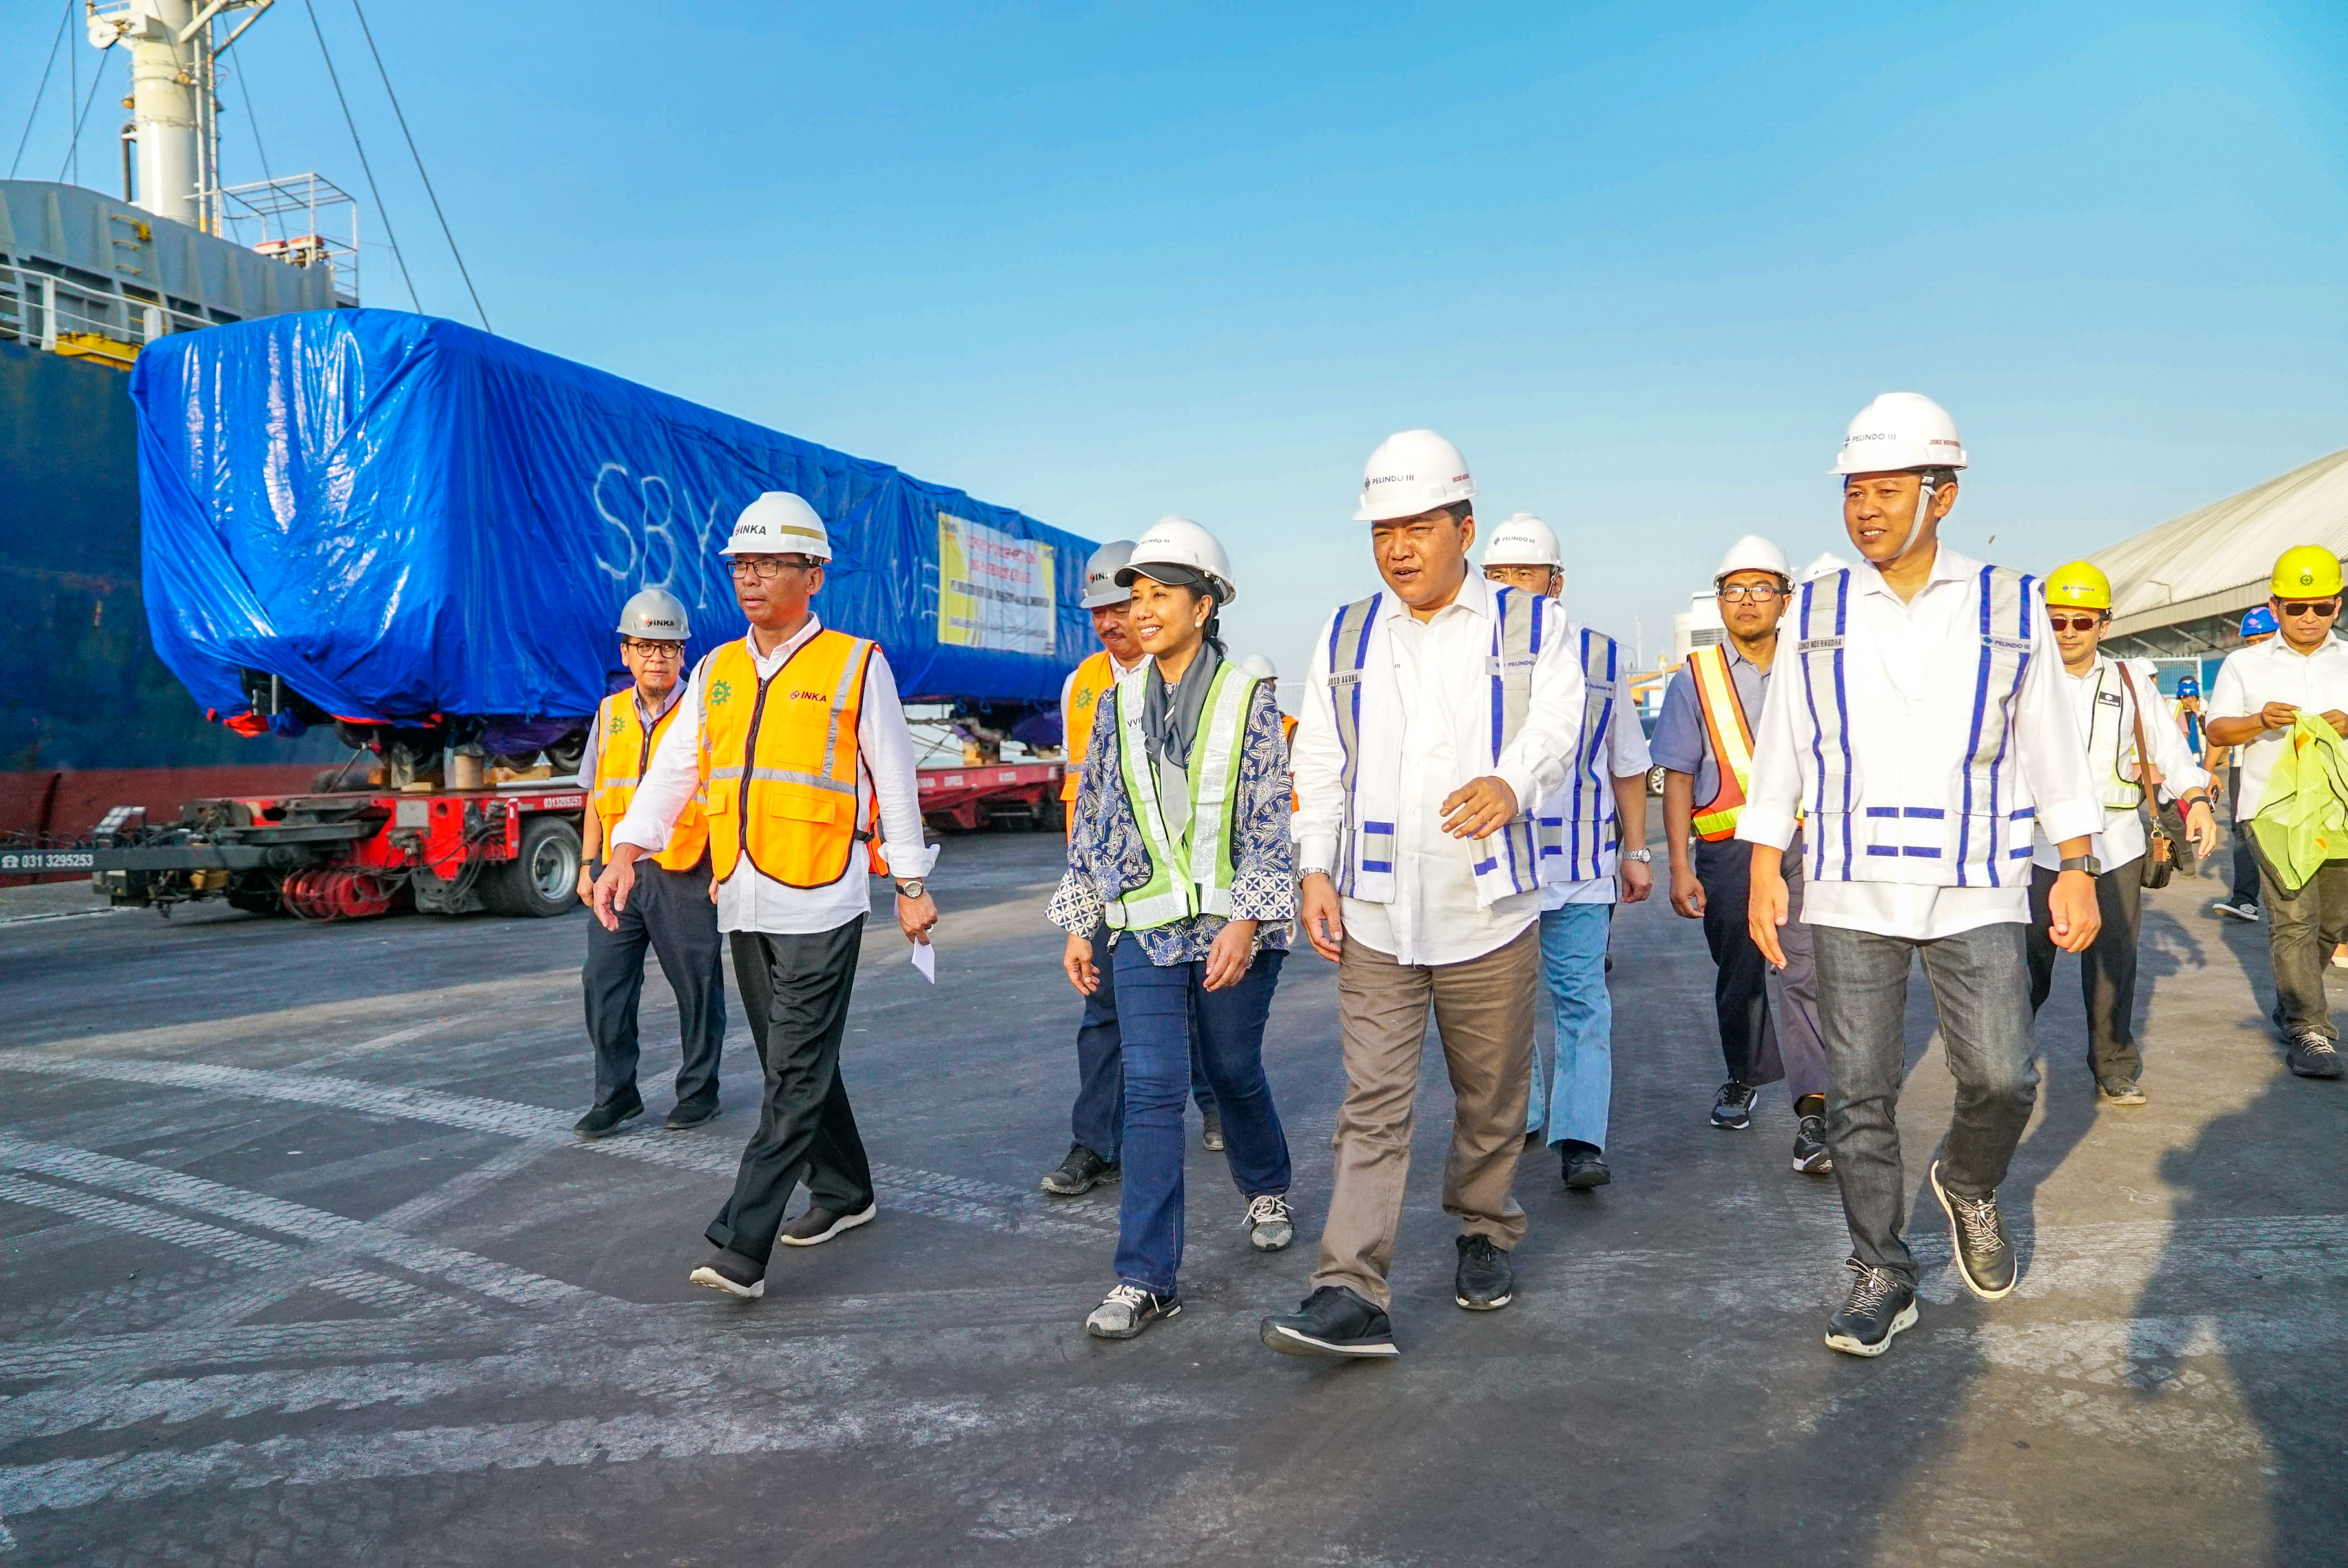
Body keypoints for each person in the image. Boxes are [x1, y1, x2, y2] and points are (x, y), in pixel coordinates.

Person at [1740, 393, 2103, 1359]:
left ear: (1942, 494)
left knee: (2002, 1073)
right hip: (1851, 885)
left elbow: (2051, 741)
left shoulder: (2008, 601)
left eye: (1887, 490)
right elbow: (1784, 744)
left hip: (1977, 881)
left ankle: (1971, 1183)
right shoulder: (1814, 607)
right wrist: (1765, 862)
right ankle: (1882, 1269)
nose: (1865, 509)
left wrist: (2074, 864)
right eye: (1854, 490)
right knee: (1858, 1091)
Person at [1260, 430, 1583, 1358]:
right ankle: (1349, 1288)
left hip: (1489, 909)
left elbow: (1561, 722)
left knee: (1491, 1094)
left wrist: (1512, 781)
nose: (1397, 547)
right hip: (1374, 911)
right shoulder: (1348, 630)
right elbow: (1318, 757)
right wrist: (1313, 866)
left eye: (1416, 526)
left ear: (1464, 527)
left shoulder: (1532, 624)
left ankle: (1484, 1225)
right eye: (1382, 530)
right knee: (1373, 1101)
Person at [593, 491, 940, 1302]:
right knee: (800, 1063)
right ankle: (847, 1190)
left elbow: (894, 776)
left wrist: (912, 884)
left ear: (812, 574)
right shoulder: (715, 669)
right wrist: (623, 852)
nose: (749, 580)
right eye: (741, 566)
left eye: (768, 565)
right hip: (744, 896)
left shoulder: (857, 664)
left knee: (791, 1073)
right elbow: (676, 771)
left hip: (824, 896)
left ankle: (742, 1243)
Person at [1051, 517, 1297, 1339]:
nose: (1144, 611)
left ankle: (1266, 1184)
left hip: (1234, 928)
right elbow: (1097, 819)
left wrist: (1246, 917)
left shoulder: (1248, 697)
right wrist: (1082, 922)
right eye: (1139, 596)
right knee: (1153, 1091)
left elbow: (1269, 817)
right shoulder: (1116, 706)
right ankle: (1145, 1276)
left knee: (1231, 1069)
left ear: (1205, 605)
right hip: (1147, 928)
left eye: (1163, 595)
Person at [1041, 543, 1226, 1198]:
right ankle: (1096, 1143)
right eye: (1099, 611)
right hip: (1109, 886)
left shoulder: (1195, 671)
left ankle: (1218, 1104)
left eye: (1123, 606)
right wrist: (1080, 896)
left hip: (1192, 883)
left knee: (1205, 1006)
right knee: (1104, 1015)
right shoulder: (1082, 685)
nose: (1111, 622)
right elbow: (1084, 796)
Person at [1478, 512, 1653, 1189]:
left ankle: (1581, 1138)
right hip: (1494, 867)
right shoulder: (1464, 656)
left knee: (1582, 1000)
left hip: (1579, 866)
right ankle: (1523, 1112)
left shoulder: (1603, 658)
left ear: (1556, 583)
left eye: (1526, 577)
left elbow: (1628, 761)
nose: (1512, 591)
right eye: (1498, 578)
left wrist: (1636, 849)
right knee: (1500, 1007)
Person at [1655, 535, 1834, 1175]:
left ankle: (1814, 1112)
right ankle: (1744, 1074)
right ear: (1719, 602)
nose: (1748, 601)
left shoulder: (1814, 664)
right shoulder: (1696, 678)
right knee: (1739, 974)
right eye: (1735, 590)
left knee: (1801, 966)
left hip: (1803, 841)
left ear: (1785, 600)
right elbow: (1677, 773)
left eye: (1762, 589)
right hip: (1727, 850)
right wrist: (1678, 864)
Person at [2031, 562, 2218, 1105]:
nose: (2067, 632)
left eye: (2080, 622)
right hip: (2034, 851)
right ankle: (2004, 1063)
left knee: (2114, 962)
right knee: (2022, 968)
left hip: (2115, 847)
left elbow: (2171, 752)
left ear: (2104, 625)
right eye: (2056, 621)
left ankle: (2113, 1064)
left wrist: (2197, 800)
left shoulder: (2130, 682)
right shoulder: (2020, 679)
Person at [573, 587, 729, 1137]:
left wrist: (723, 870)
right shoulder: (609, 713)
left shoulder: (704, 713)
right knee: (603, 983)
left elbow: (727, 794)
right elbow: (595, 794)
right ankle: (616, 1096)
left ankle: (699, 1091)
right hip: (619, 875)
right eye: (645, 646)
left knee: (697, 984)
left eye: (668, 647)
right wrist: (588, 865)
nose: (656, 657)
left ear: (684, 653)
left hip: (686, 870)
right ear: (626, 653)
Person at [2205, 548, 2348, 1080]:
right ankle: (2311, 1030)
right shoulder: (2246, 664)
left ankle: (2293, 1005)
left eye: (2321, 606)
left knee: (2331, 923)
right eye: (2295, 607)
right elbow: (2218, 731)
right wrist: (2259, 721)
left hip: (2338, 814)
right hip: (2272, 812)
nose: (2309, 617)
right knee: (2293, 919)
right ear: (2275, 606)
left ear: (2338, 604)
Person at [2211, 606, 2278, 923]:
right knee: (2244, 832)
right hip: (2244, 766)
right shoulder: (2240, 671)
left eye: (2263, 639)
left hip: (2295, 767)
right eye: (2250, 641)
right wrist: (2209, 771)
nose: (2256, 646)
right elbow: (2219, 728)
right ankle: (2245, 899)